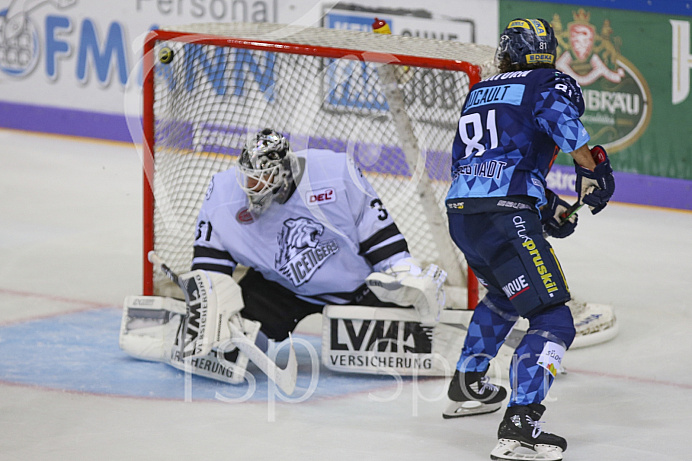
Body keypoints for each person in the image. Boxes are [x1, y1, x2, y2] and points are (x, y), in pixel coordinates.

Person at [118, 128, 446, 387]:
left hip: (354, 285)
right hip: (279, 288)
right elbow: (211, 263)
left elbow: (376, 231)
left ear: (284, 172)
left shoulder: (334, 171)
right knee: (228, 351)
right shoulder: (222, 194)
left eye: (262, 179)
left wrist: (402, 270)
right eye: (248, 177)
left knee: (422, 338)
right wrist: (211, 305)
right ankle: (174, 338)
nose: (252, 186)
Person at [443, 18, 615, 461]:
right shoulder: (548, 81)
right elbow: (561, 119)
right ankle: (520, 427)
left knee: (502, 293)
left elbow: (488, 162)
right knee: (554, 321)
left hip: (463, 215)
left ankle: (468, 383)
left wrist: (544, 205)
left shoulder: (481, 90)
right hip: (506, 216)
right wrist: (592, 169)